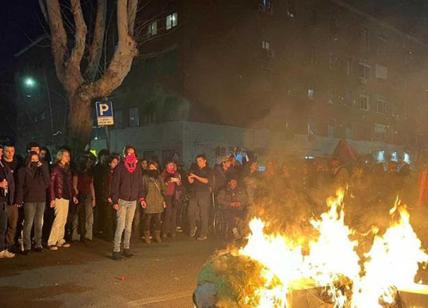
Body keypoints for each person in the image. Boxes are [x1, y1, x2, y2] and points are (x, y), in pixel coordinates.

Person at [110, 145, 146, 260]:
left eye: (133, 153)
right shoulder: (120, 167)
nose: (131, 155)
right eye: (129, 153)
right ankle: (116, 250)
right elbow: (114, 185)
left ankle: (126, 248)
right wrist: (115, 201)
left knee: (129, 226)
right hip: (122, 200)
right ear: (125, 154)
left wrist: (142, 198)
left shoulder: (137, 168)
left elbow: (140, 184)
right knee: (120, 226)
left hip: (133, 201)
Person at [15, 152, 50, 254]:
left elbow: (48, 182)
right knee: (28, 223)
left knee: (39, 223)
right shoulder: (23, 170)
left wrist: (42, 167)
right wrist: (19, 199)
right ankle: (26, 246)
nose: (35, 161)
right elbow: (20, 186)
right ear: (28, 159)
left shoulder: (41, 169)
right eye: (33, 159)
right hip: (29, 199)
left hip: (41, 199)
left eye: (37, 159)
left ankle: (38, 243)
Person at [48, 148, 78, 250]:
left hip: (66, 196)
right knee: (58, 218)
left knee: (63, 219)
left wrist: (73, 195)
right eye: (66, 155)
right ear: (60, 156)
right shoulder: (55, 168)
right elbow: (51, 184)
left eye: (68, 155)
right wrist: (52, 198)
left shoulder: (68, 169)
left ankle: (60, 239)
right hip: (58, 196)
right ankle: (52, 241)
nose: (68, 157)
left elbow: (69, 184)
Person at [187, 154, 212, 241]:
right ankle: (193, 227)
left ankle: (203, 234)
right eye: (197, 161)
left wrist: (196, 177)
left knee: (203, 214)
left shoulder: (209, 170)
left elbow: (206, 181)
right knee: (190, 211)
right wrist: (190, 178)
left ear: (205, 161)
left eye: (200, 161)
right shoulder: (196, 170)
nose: (198, 163)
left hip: (204, 193)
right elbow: (191, 181)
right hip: (194, 193)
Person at [72, 154, 96, 242]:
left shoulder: (90, 172)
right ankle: (75, 235)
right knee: (77, 215)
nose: (89, 163)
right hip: (80, 194)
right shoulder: (77, 172)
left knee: (89, 215)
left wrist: (94, 198)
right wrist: (75, 195)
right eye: (88, 161)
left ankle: (88, 234)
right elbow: (74, 185)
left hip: (88, 195)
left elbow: (91, 185)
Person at [142, 162, 166, 244]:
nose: (152, 169)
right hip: (148, 201)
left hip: (158, 201)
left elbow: (163, 190)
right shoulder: (145, 178)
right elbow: (142, 190)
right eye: (150, 167)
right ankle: (147, 236)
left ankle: (157, 236)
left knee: (158, 220)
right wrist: (142, 200)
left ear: (157, 168)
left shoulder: (160, 178)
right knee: (147, 220)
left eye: (154, 167)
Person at [2, 143, 18, 252]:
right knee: (2, 225)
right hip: (3, 199)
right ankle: (2, 246)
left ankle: (9, 244)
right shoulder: (1, 164)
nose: (10, 153)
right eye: (7, 151)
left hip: (14, 199)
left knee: (13, 223)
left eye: (12, 151)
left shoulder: (17, 163)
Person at [0, 145, 15, 258]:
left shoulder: (2, 165)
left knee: (3, 226)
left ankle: (2, 249)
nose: (1, 155)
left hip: (3, 199)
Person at [161, 161, 181, 239]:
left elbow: (180, 184)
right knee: (167, 214)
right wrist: (168, 180)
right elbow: (162, 184)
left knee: (174, 214)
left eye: (172, 165)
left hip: (174, 196)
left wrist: (177, 181)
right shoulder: (163, 174)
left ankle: (173, 231)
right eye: (169, 165)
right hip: (167, 196)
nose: (171, 166)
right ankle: (165, 231)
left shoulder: (176, 174)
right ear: (166, 166)